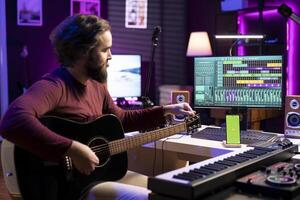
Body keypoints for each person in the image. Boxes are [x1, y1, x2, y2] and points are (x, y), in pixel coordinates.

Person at [0, 14, 195, 200]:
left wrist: (166, 110)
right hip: (67, 187)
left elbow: (120, 120)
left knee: (170, 191)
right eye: (105, 49)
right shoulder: (54, 86)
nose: (111, 56)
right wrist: (72, 149)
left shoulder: (97, 85)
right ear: (82, 52)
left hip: (95, 177)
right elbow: (12, 121)